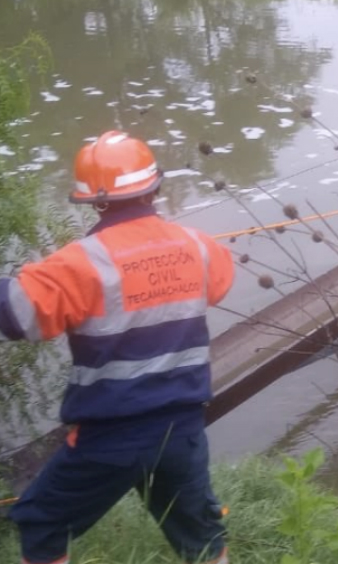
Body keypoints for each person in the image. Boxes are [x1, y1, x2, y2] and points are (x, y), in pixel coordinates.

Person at [1, 131, 235, 564]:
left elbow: (18, 314)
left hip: (110, 436)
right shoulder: (200, 247)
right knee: (200, 531)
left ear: (94, 201)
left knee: (42, 522)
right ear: (154, 187)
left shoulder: (78, 264)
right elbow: (218, 283)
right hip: (182, 429)